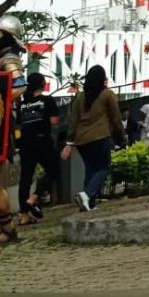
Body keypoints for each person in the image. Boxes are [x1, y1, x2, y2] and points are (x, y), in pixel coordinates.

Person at [62, 65, 126, 210]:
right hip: (101, 137)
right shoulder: (107, 94)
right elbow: (116, 118)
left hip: (82, 141)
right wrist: (122, 137)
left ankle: (88, 204)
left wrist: (70, 142)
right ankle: (87, 194)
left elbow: (73, 120)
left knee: (91, 169)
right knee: (103, 168)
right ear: (102, 79)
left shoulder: (79, 97)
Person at [16, 72, 61, 224]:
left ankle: (23, 216)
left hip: (25, 143)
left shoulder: (22, 104)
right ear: (42, 84)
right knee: (54, 170)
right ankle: (34, 198)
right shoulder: (47, 100)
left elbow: (19, 124)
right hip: (42, 141)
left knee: (25, 178)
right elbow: (54, 121)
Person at [0, 14, 29, 245]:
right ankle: (7, 228)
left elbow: (19, 85)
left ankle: (8, 229)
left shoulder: (8, 58)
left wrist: (3, 100)